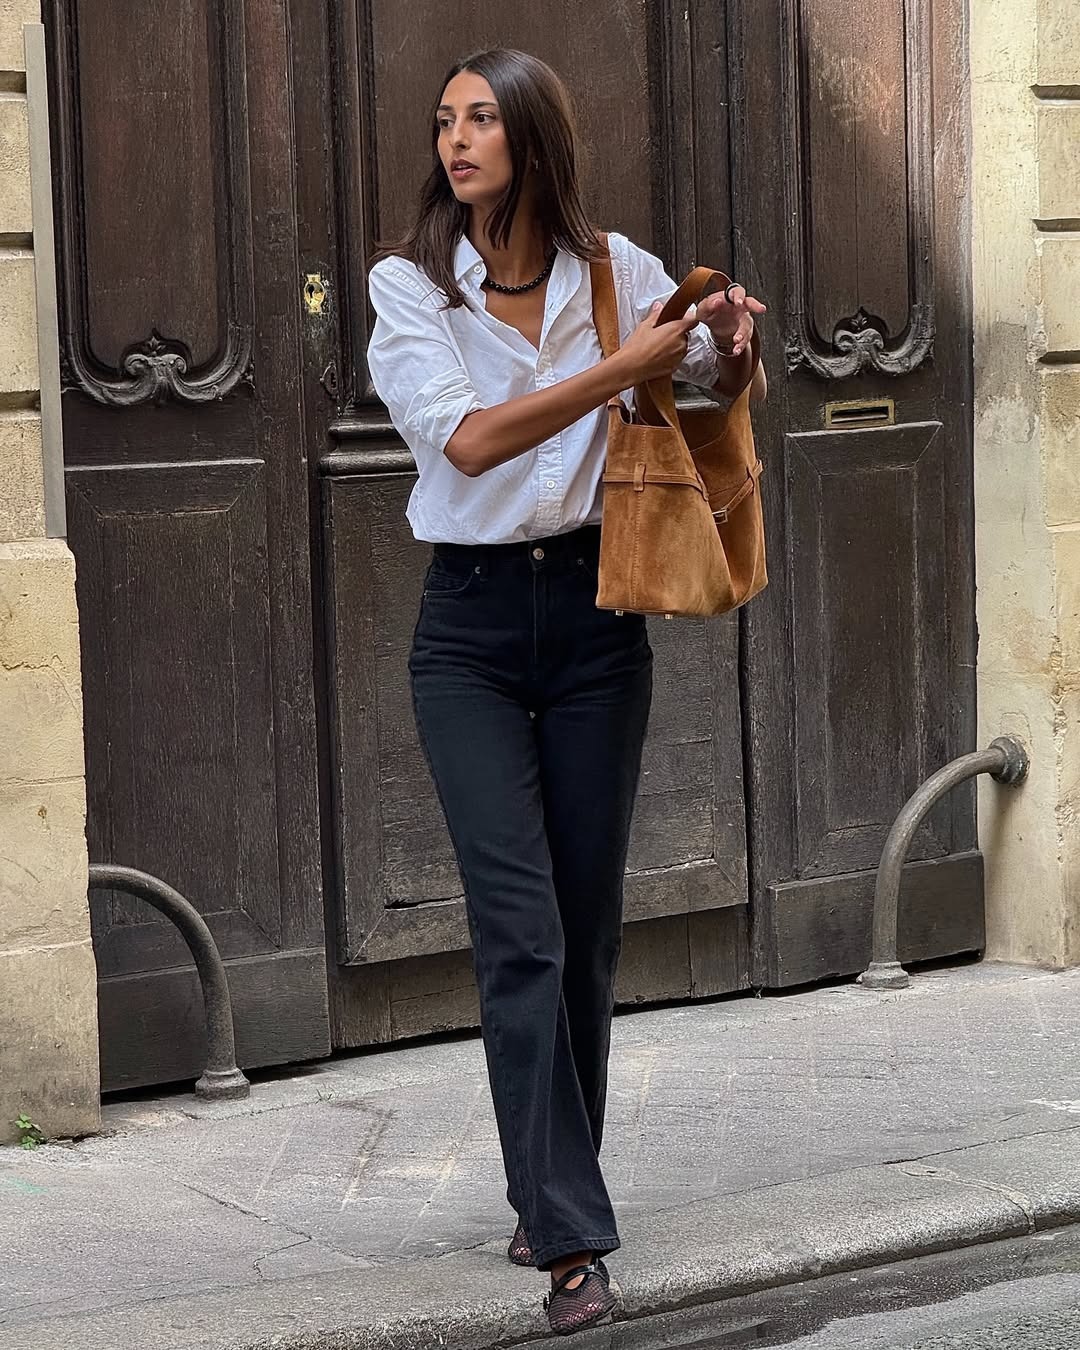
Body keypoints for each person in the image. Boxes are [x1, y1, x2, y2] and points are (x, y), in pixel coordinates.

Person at [367, 47, 766, 1336]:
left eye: (482, 120)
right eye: (445, 123)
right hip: (470, 634)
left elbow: (697, 389)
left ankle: (550, 1196)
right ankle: (574, 1245)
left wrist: (726, 352)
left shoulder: (620, 274)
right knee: (520, 929)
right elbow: (473, 440)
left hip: (596, 625)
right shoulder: (411, 289)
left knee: (586, 932)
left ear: (535, 139)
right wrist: (621, 363)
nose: (457, 142)